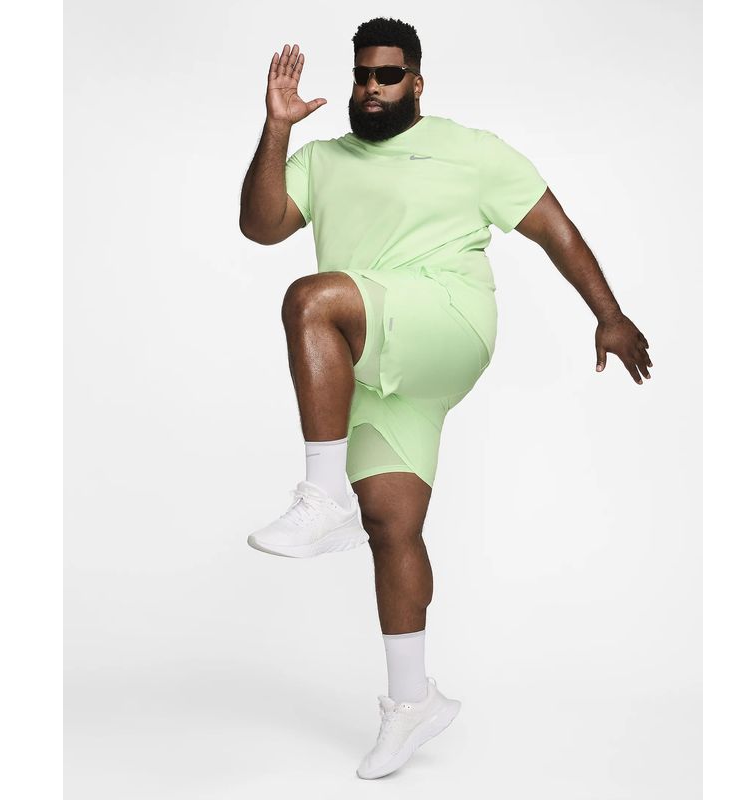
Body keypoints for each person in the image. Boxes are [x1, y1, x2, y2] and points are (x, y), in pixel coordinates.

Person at [238, 17, 652, 780]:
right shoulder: (324, 159)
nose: (372, 87)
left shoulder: (471, 151)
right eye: (363, 75)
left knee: (309, 299)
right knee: (391, 526)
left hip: (446, 319)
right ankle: (411, 703)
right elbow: (260, 226)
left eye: (388, 75)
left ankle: (319, 496)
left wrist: (609, 313)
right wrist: (276, 128)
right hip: (373, 363)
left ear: (417, 82)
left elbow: (555, 230)